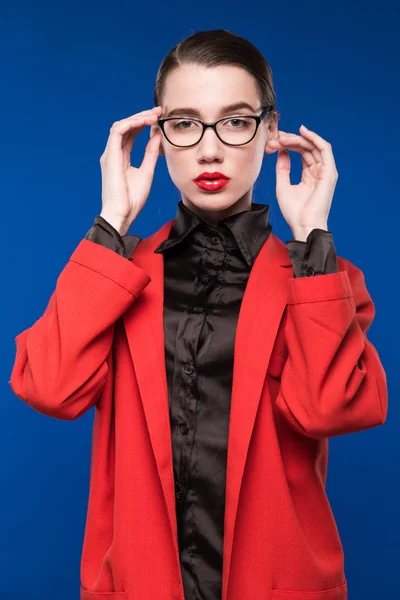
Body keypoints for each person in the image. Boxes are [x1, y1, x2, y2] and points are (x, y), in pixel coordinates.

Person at [10, 29, 387, 600]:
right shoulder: (118, 274)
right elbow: (50, 388)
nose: (209, 149)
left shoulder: (322, 281)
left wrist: (312, 238)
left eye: (235, 121)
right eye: (185, 123)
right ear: (158, 137)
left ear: (269, 132)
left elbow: (330, 409)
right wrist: (111, 224)